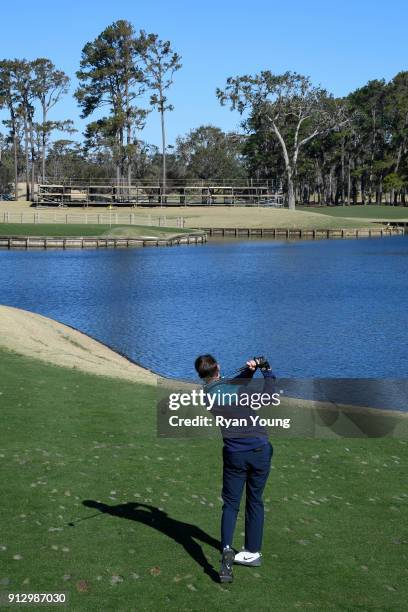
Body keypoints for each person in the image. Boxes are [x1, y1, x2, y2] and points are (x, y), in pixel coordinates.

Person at [194, 354, 274, 583]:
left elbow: (232, 389)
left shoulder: (207, 394)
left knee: (230, 505)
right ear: (218, 367)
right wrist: (266, 370)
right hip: (259, 451)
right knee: (255, 500)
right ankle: (252, 552)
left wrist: (249, 372)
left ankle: (227, 549)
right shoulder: (233, 390)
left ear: (201, 375)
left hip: (234, 454)